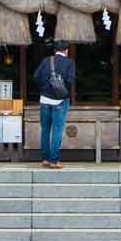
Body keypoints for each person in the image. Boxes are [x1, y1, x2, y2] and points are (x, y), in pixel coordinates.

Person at [32, 40, 75, 169]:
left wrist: (45, 88)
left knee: (45, 130)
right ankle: (54, 160)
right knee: (57, 130)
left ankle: (45, 159)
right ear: (66, 50)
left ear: (55, 50)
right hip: (61, 101)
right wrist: (62, 90)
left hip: (44, 100)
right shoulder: (70, 63)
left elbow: (36, 77)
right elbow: (70, 81)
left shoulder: (46, 61)